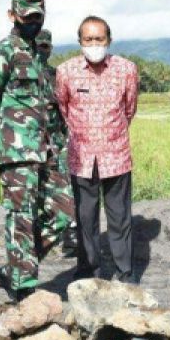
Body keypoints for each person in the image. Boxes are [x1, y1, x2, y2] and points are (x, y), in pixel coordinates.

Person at [0, 0, 61, 302]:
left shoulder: (39, 57)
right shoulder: (1, 53)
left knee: (63, 213)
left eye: (38, 18)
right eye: (27, 18)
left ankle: (15, 268)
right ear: (12, 16)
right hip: (15, 152)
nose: (33, 23)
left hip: (47, 149)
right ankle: (23, 288)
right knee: (21, 217)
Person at [55, 16, 140, 283]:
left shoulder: (126, 69)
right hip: (81, 158)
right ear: (80, 41)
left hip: (116, 155)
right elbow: (63, 108)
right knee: (85, 219)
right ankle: (88, 272)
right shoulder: (66, 71)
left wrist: (110, 133)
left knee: (120, 218)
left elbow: (130, 109)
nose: (94, 44)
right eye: (89, 39)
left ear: (109, 40)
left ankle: (124, 272)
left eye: (99, 39)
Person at [36, 29, 77, 258]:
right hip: (27, 149)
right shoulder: (17, 75)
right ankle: (30, 247)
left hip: (56, 146)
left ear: (50, 49)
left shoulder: (57, 77)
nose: (40, 51)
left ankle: (71, 236)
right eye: (37, 46)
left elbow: (66, 112)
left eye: (45, 47)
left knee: (65, 195)